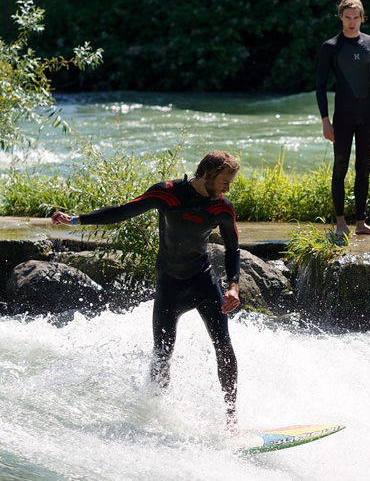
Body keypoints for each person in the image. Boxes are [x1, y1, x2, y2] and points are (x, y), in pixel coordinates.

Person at [51, 151, 242, 429]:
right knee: (162, 352)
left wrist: (233, 285)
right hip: (169, 286)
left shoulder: (222, 207)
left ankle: (231, 419)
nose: (227, 188)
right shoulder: (167, 193)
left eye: (230, 183)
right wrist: (77, 221)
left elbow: (233, 247)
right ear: (207, 174)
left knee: (223, 345)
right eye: (225, 181)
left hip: (202, 281)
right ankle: (152, 415)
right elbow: (123, 211)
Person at [316, 0, 370, 237]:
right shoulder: (331, 47)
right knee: (340, 167)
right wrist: (325, 121)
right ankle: (340, 222)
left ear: (362, 18)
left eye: (355, 18)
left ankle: (360, 222)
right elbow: (320, 87)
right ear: (340, 17)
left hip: (368, 115)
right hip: (344, 116)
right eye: (347, 17)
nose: (351, 22)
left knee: (364, 169)